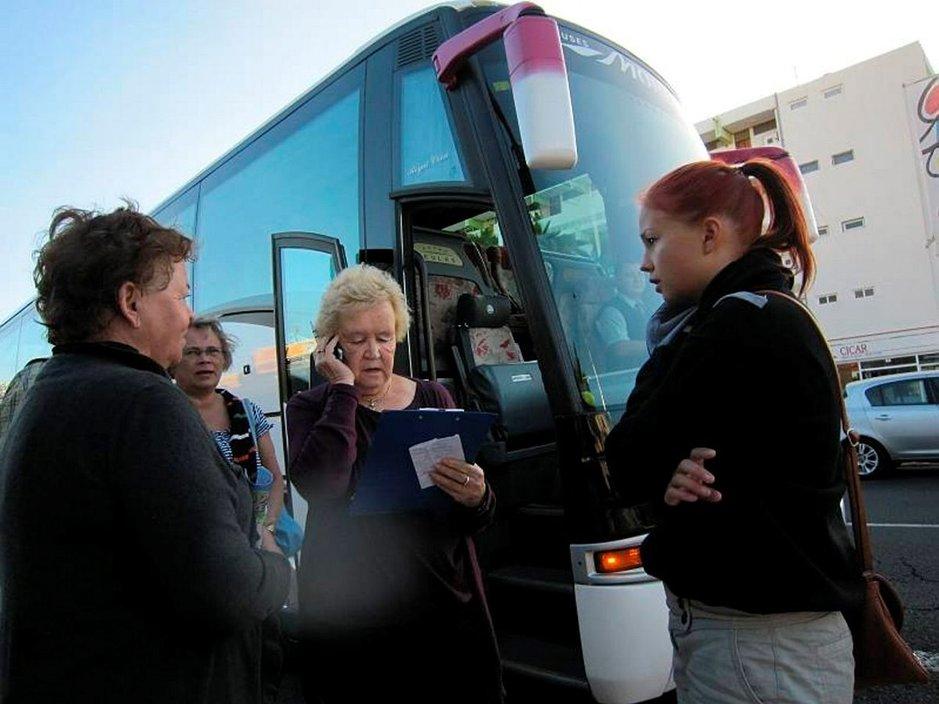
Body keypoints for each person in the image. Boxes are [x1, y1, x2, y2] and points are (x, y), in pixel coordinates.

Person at [0, 205, 291, 704]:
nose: (187, 314)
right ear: (131, 302)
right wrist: (275, 569)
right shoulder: (143, 401)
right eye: (180, 295)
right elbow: (223, 591)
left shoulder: (53, 390)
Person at [604, 160, 865, 703]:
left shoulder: (734, 323)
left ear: (709, 234)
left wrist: (655, 471)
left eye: (653, 241)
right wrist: (666, 473)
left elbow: (625, 459)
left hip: (756, 646)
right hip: (776, 640)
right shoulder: (775, 310)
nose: (645, 264)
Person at [286, 264, 503, 704]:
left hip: (440, 601)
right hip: (357, 612)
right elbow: (323, 486)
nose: (373, 352)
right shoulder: (309, 406)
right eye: (357, 339)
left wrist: (478, 497)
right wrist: (343, 392)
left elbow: (465, 508)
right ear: (331, 344)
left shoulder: (434, 397)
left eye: (384, 338)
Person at [171, 317, 285, 541]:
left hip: (254, 547)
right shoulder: (165, 416)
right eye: (192, 352)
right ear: (174, 360)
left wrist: (266, 532)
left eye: (213, 351)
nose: (204, 359)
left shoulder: (249, 412)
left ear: (224, 359)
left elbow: (275, 479)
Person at [593, 260, 653, 368]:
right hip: (627, 378)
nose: (637, 279)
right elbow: (619, 348)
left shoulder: (649, 306)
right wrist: (658, 344)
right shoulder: (611, 311)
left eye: (640, 274)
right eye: (629, 275)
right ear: (617, 280)